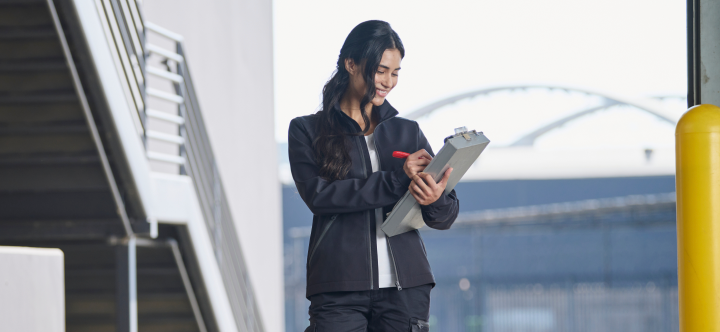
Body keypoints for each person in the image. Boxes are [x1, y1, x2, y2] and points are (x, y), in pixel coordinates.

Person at [288, 20, 459, 332]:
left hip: (406, 289)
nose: (388, 81)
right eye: (381, 70)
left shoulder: (407, 131)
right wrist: (397, 180)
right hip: (338, 288)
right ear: (350, 64)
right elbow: (320, 197)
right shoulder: (306, 130)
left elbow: (443, 217)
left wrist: (436, 198)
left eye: (395, 73)